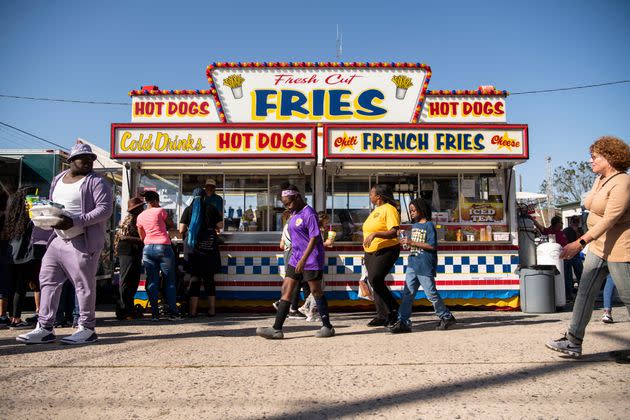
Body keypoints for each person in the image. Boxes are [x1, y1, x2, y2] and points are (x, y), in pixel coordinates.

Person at [17, 142, 113, 345]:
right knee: (47, 281)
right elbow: (53, 203)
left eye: (91, 159)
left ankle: (87, 328)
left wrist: (76, 220)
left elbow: (105, 209)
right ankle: (45, 328)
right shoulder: (58, 179)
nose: (88, 162)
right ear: (70, 161)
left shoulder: (96, 182)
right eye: (83, 158)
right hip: (57, 239)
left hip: (82, 242)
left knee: (84, 286)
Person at [546, 136, 630, 358]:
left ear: (610, 158)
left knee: (628, 295)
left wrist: (580, 242)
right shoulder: (601, 179)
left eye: (595, 157)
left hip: (620, 249)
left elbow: (610, 219)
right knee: (584, 293)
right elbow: (592, 208)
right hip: (598, 248)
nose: (590, 161)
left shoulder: (623, 182)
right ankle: (573, 341)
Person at [256, 184, 334, 339]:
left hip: (311, 258)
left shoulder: (309, 213)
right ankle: (276, 329)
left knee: (316, 291)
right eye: (284, 204)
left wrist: (304, 259)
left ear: (297, 197)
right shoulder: (294, 214)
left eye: (289, 203)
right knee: (286, 289)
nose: (287, 206)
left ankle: (328, 327)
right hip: (295, 258)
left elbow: (315, 237)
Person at [391, 198, 456, 333]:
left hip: (425, 265)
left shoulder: (429, 226)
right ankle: (403, 321)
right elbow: (414, 244)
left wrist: (411, 242)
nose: (412, 213)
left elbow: (431, 245)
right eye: (410, 211)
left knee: (431, 293)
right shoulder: (414, 226)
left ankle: (446, 316)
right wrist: (406, 243)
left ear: (422, 210)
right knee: (407, 293)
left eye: (414, 210)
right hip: (412, 264)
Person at [179, 187, 222, 317]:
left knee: (194, 279)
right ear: (204, 197)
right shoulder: (211, 208)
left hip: (193, 250)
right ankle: (212, 310)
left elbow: (181, 229)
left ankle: (192, 312)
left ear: (193, 198)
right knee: (209, 280)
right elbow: (220, 225)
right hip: (209, 248)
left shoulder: (188, 209)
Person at [136, 190, 179, 320]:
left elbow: (141, 235)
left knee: (152, 281)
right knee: (169, 281)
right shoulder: (160, 211)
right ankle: (173, 312)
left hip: (148, 249)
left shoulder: (140, 216)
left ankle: (155, 313)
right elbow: (171, 224)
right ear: (155, 201)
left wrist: (148, 241)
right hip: (163, 247)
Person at [362, 184, 401, 327]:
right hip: (371, 252)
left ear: (378, 196)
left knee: (375, 279)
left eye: (371, 193)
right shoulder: (376, 210)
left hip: (387, 250)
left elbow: (393, 231)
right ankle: (382, 315)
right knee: (374, 282)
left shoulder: (389, 209)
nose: (369, 195)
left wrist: (375, 234)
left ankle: (394, 309)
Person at [273, 209, 311, 320]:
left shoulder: (286, 226)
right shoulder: (293, 224)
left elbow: (281, 245)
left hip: (287, 253)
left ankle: (285, 304)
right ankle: (292, 309)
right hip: (294, 253)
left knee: (292, 280)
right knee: (297, 281)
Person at [114, 196, 145, 320]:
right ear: (137, 209)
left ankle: (129, 309)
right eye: (141, 207)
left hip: (129, 252)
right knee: (127, 280)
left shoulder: (128, 219)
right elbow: (123, 238)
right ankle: (124, 310)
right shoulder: (133, 220)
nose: (143, 209)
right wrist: (143, 240)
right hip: (128, 252)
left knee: (131, 281)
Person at [562, 215, 584, 299]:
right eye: (574, 222)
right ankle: (569, 294)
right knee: (568, 275)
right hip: (568, 255)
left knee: (580, 273)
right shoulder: (566, 230)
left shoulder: (580, 230)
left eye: (577, 222)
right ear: (571, 222)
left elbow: (582, 242)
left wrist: (577, 232)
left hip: (576, 254)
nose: (576, 223)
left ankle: (581, 292)